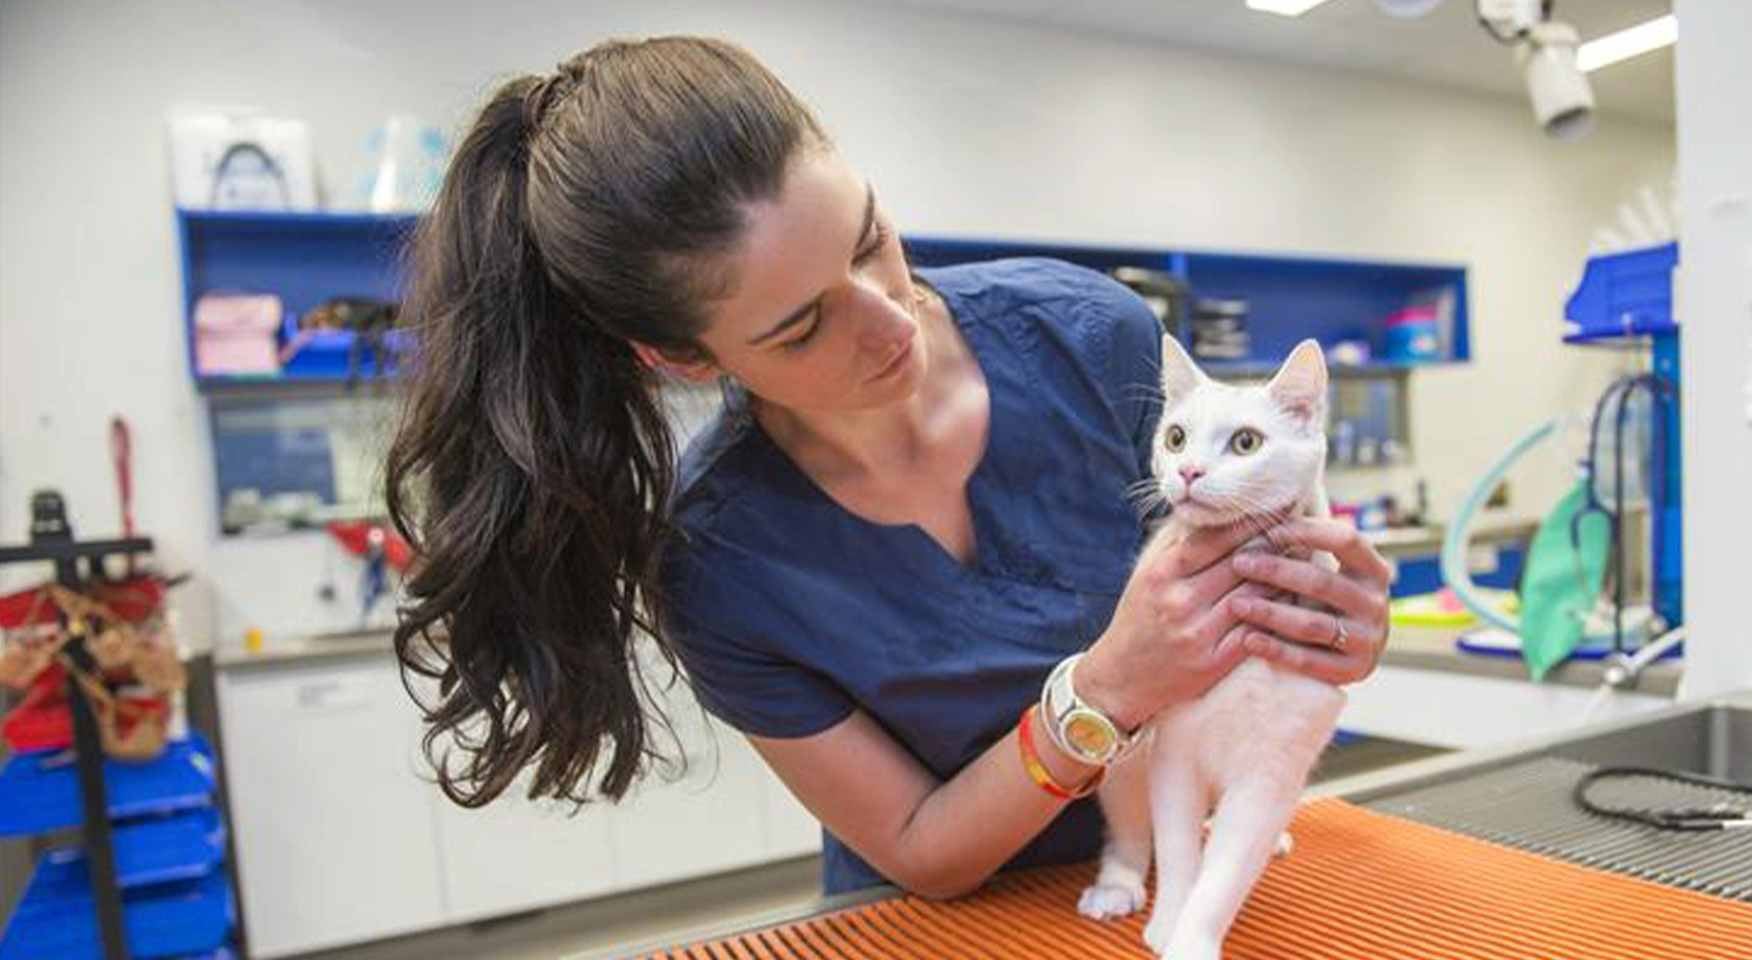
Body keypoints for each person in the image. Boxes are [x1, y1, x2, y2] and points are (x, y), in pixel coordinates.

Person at [384, 35, 1391, 900]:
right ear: (683, 359)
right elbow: (920, 850)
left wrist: (1323, 627)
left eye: (869, 239)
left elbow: (1243, 615)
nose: (887, 320)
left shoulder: (1091, 339)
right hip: (932, 927)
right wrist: (1102, 690)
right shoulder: (720, 561)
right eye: (801, 325)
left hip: (1185, 877)